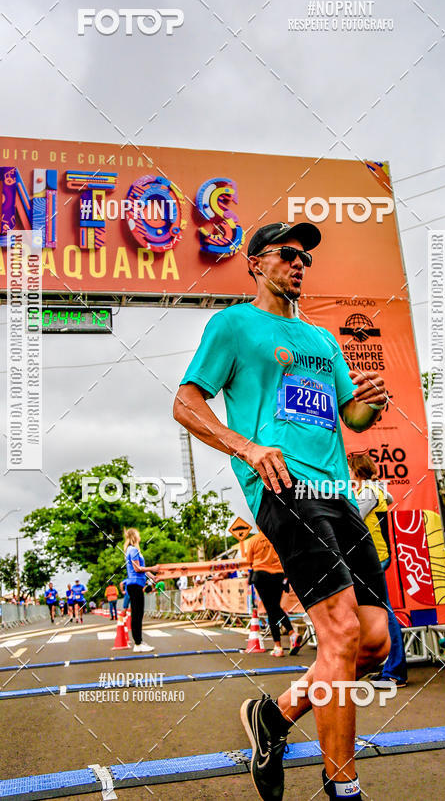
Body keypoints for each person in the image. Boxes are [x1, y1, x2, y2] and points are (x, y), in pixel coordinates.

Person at [174, 221, 390, 800]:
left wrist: (368, 403)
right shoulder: (234, 325)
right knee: (339, 632)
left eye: (306, 259)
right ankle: (342, 788)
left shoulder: (322, 340)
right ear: (255, 263)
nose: (300, 264)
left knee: (373, 642)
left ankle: (275, 716)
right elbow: (185, 401)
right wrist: (246, 446)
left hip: (337, 493)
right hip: (282, 487)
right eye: (288, 254)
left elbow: (352, 418)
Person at [349, 453, 408, 688]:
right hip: (374, 556)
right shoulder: (376, 490)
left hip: (372, 558)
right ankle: (389, 667)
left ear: (357, 472)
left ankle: (395, 671)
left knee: (385, 613)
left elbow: (349, 518)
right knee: (376, 612)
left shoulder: (366, 493)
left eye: (349, 470)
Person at [246, 530, 302, 658]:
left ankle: (279, 645)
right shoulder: (278, 536)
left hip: (261, 575)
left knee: (271, 610)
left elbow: (249, 561)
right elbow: (286, 557)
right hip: (278, 575)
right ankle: (291, 634)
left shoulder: (254, 540)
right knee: (275, 607)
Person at [124, 528, 159, 652]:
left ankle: (139, 641)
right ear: (134, 536)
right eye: (138, 534)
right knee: (137, 614)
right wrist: (153, 568)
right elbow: (138, 568)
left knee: (138, 614)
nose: (140, 536)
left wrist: (152, 576)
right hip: (134, 584)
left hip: (137, 584)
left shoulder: (134, 550)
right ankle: (138, 643)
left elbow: (141, 569)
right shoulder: (132, 550)